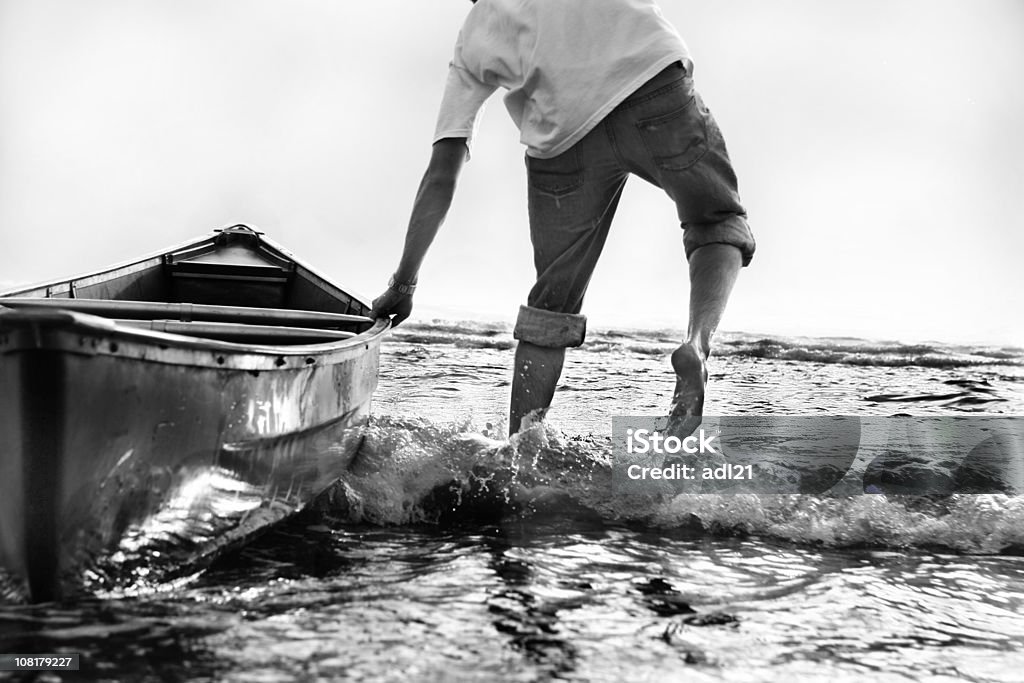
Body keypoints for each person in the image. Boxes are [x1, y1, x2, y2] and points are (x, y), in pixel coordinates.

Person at [371, 0, 756, 436]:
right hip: (653, 84)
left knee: (550, 309)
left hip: (565, 140)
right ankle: (696, 346)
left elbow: (442, 173)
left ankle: (520, 455)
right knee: (716, 221)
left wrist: (403, 284)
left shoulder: (474, 36)